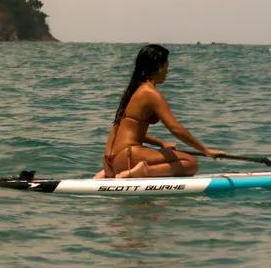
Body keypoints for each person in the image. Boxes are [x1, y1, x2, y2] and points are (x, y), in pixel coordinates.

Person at [97, 43, 229, 178]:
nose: (167, 71)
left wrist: (160, 143)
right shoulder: (150, 93)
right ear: (158, 67)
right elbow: (175, 128)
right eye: (166, 66)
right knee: (190, 163)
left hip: (110, 161)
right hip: (127, 156)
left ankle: (114, 172)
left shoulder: (132, 90)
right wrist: (205, 150)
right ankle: (145, 171)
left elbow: (129, 131)